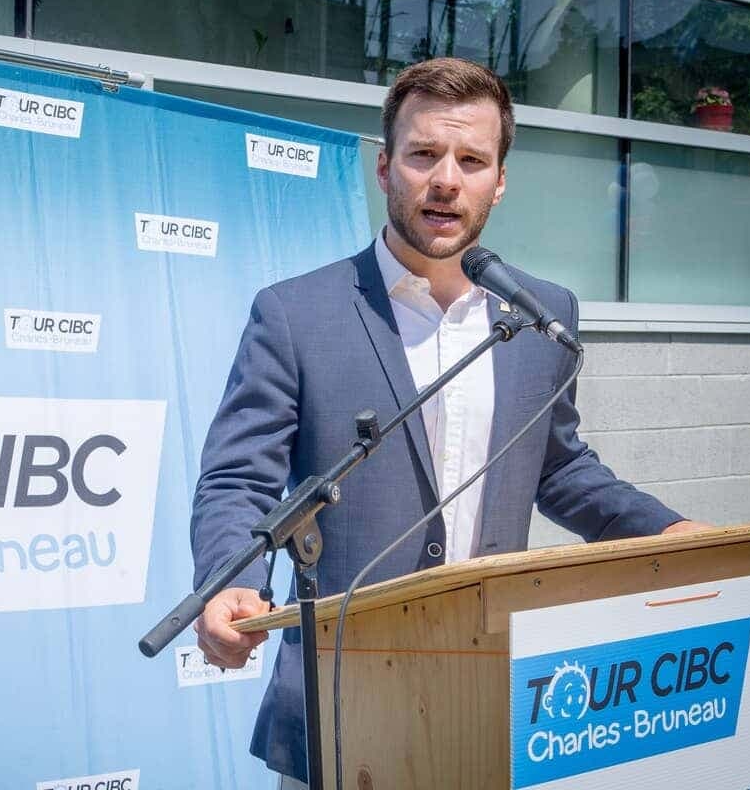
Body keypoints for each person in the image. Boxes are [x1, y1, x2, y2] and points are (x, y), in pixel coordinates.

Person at [189, 57, 711, 788]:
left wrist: (663, 532)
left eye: (471, 160)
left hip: (494, 688)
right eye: (423, 154)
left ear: (499, 181)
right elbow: (239, 478)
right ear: (384, 168)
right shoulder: (295, 315)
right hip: (345, 703)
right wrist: (231, 580)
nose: (446, 180)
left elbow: (558, 465)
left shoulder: (542, 311)